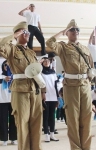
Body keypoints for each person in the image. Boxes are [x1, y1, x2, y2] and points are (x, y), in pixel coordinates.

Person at [0, 21, 46, 150]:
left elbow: (36, 72)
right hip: (20, 89)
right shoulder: (11, 49)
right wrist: (14, 35)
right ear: (18, 34)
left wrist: (43, 91)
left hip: (35, 89)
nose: (27, 34)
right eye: (24, 32)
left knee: (36, 123)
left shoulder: (31, 53)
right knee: (22, 124)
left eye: (28, 32)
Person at [46, 19, 93, 150]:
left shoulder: (84, 48)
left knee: (87, 119)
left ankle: (86, 147)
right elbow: (49, 43)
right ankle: (76, 148)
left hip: (85, 85)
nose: (75, 31)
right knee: (73, 119)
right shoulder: (63, 47)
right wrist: (62, 32)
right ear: (67, 33)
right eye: (72, 30)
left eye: (77, 30)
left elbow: (91, 67)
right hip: (71, 86)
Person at [0, 60, 17, 146]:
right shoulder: (0, 75)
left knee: (13, 120)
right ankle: (4, 138)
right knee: (3, 120)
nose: (7, 66)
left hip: (13, 100)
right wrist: (4, 78)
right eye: (5, 65)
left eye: (9, 65)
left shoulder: (15, 76)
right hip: (2, 101)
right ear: (3, 66)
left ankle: (13, 138)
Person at [41, 57, 59, 142]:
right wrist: (42, 94)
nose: (46, 62)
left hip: (53, 96)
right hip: (45, 96)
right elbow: (40, 85)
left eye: (47, 61)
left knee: (52, 116)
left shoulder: (53, 72)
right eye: (44, 61)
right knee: (45, 116)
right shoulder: (40, 72)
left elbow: (55, 85)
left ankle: (52, 134)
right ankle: (46, 135)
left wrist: (58, 97)